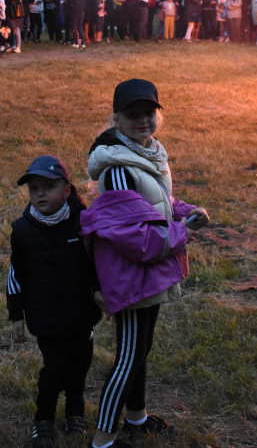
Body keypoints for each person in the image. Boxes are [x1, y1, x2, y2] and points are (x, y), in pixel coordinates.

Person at [81, 79, 210, 448]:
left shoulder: (146, 153)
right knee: (128, 357)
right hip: (132, 275)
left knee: (141, 349)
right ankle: (103, 440)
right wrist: (181, 232)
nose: (142, 121)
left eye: (149, 113)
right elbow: (133, 237)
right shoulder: (119, 168)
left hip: (149, 272)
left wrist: (186, 211)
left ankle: (136, 419)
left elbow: (159, 204)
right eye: (132, 115)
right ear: (116, 119)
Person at [7, 155, 102, 448]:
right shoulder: (23, 231)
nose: (40, 194)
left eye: (48, 187)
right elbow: (15, 275)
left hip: (80, 315)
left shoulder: (83, 224)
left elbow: (98, 264)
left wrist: (101, 292)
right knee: (54, 369)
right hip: (45, 318)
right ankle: (43, 420)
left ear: (67, 190)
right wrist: (16, 316)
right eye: (34, 188)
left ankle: (75, 412)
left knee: (79, 367)